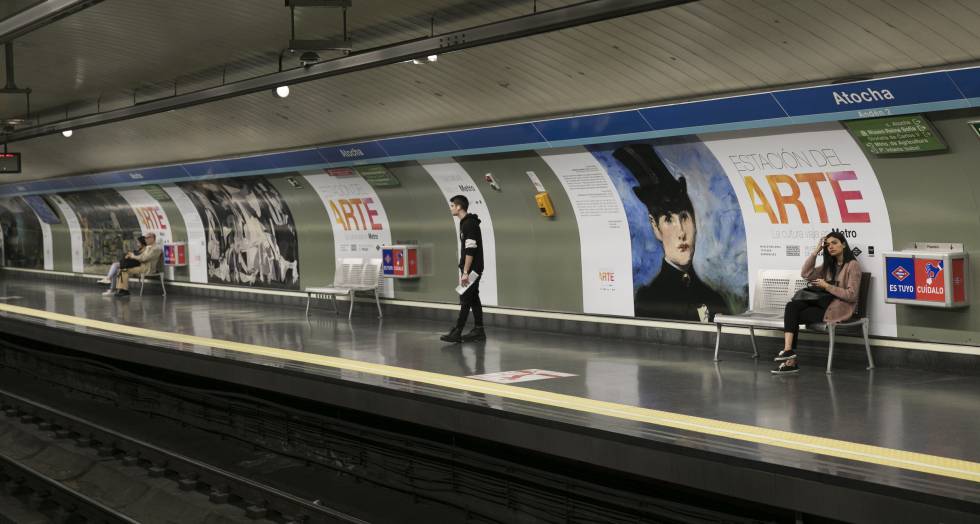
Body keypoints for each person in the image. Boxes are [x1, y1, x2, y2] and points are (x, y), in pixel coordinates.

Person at [613, 143, 729, 322]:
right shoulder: (648, 300)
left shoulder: (714, 298)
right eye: (668, 220)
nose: (681, 232)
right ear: (655, 227)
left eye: (684, 217)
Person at [772, 232, 862, 375]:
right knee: (792, 306)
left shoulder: (853, 265)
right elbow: (806, 274)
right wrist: (816, 251)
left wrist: (827, 286)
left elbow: (851, 295)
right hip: (821, 303)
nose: (830, 247)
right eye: (827, 245)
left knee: (793, 315)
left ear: (843, 244)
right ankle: (788, 351)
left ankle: (790, 361)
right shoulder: (828, 265)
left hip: (837, 309)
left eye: (834, 243)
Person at [440, 195, 486, 343]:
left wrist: (465, 272)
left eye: (453, 205)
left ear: (459, 207)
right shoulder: (464, 223)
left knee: (465, 298)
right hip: (472, 269)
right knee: (473, 298)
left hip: (472, 270)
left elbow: (470, 249)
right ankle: (479, 330)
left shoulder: (469, 224)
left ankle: (457, 331)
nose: (451, 208)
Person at [113, 232, 163, 297]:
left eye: (147, 238)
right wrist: (132, 255)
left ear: (153, 238)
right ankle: (121, 289)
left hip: (147, 268)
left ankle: (124, 290)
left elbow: (144, 258)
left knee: (124, 270)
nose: (146, 240)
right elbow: (141, 256)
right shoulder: (148, 247)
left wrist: (133, 256)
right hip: (142, 266)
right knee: (122, 269)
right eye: (145, 238)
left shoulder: (156, 249)